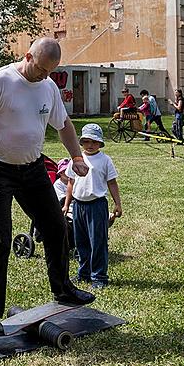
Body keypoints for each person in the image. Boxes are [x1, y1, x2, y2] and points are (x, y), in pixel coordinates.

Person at [0, 37, 95, 337]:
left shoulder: (47, 87)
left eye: (51, 72)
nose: (45, 76)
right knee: (0, 240)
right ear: (28, 56)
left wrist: (76, 156)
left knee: (56, 226)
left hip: (32, 168)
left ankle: (64, 290)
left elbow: (64, 124)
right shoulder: (0, 81)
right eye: (42, 69)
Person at [63, 123, 122, 289]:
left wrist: (117, 203)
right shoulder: (76, 160)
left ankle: (99, 276)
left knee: (98, 242)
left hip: (97, 205)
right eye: (87, 141)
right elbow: (70, 182)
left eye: (94, 142)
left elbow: (112, 182)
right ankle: (84, 273)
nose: (90, 145)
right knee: (81, 242)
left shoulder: (105, 160)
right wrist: (67, 205)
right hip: (78, 206)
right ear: (81, 142)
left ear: (100, 143)